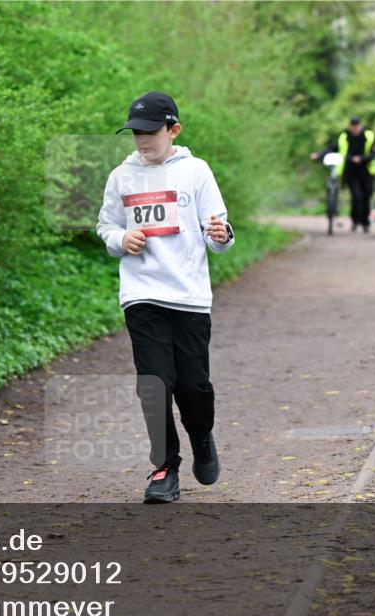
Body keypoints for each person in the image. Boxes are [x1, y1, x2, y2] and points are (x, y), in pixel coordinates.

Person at [96, 91, 234, 504]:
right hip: (142, 293)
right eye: (135, 132)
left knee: (194, 387)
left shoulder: (196, 171)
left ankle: (202, 436)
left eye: (150, 131)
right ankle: (164, 469)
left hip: (189, 296)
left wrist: (222, 235)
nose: (142, 140)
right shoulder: (121, 176)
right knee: (153, 384)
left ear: (173, 130)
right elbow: (106, 227)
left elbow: (221, 231)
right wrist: (121, 237)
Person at [311, 116, 375, 232]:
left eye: (357, 125)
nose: (355, 128)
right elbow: (332, 148)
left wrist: (361, 158)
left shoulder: (369, 135)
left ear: (360, 125)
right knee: (356, 196)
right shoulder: (344, 136)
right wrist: (319, 155)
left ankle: (365, 222)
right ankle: (355, 221)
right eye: (353, 126)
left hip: (367, 170)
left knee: (366, 196)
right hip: (350, 170)